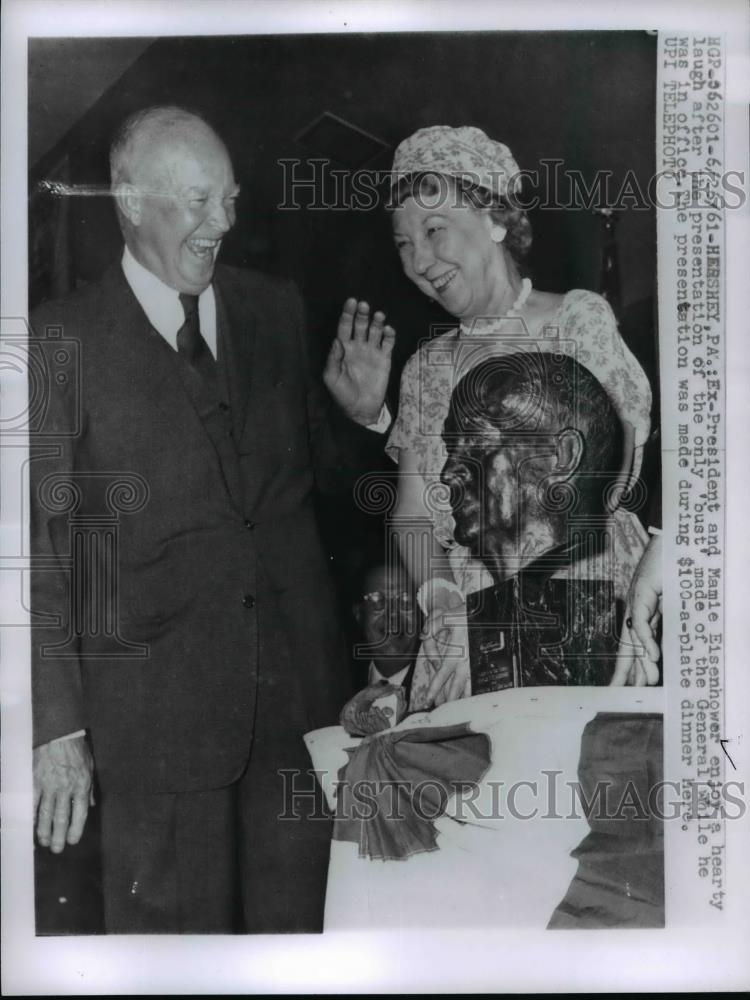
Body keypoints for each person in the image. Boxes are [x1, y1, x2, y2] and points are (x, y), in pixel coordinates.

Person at [30, 105, 395, 933]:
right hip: (151, 718)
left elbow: (324, 490)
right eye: (197, 201)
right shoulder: (61, 338)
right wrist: (58, 726)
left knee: (299, 940)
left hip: (297, 703)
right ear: (128, 198)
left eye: (229, 200)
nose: (221, 223)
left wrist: (362, 419)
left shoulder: (277, 308)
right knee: (170, 953)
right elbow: (39, 544)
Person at [375, 125, 653, 707]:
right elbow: (410, 514)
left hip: (587, 595)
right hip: (470, 624)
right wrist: (445, 604)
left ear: (494, 218)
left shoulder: (579, 321)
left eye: (433, 230)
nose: (420, 261)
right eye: (403, 244)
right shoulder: (426, 365)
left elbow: (616, 471)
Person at [441, 351, 630, 689]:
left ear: (561, 457)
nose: (448, 472)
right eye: (452, 447)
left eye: (478, 442)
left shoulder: (615, 586)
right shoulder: (459, 589)